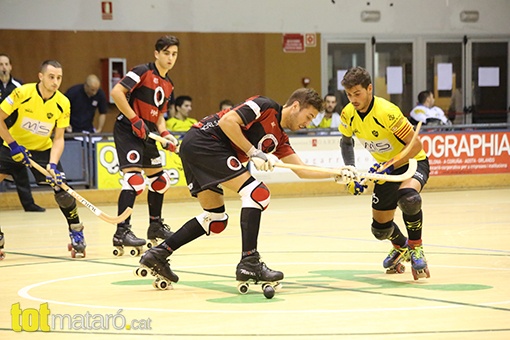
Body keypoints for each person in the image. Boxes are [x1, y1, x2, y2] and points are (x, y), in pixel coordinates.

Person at [137, 88, 356, 287]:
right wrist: (254, 152)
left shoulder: (280, 139)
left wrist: (337, 173)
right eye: (308, 117)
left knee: (215, 219)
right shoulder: (264, 105)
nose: (307, 123)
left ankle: (158, 253)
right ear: (296, 106)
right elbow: (227, 122)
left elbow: (301, 170)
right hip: (205, 141)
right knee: (257, 193)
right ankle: (249, 261)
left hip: (200, 149)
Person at [338, 67, 430, 279]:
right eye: (349, 94)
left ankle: (416, 247)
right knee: (380, 229)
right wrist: (351, 170)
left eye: (357, 93)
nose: (353, 99)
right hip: (385, 169)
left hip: (412, 163)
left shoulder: (387, 112)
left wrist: (391, 163)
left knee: (409, 198)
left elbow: (415, 146)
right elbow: (346, 142)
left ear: (370, 89)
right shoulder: (348, 113)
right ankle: (401, 246)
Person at [0, 60, 86, 257]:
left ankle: (76, 233)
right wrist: (13, 145)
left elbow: (58, 137)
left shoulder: (63, 102)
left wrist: (53, 165)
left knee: (62, 190)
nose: (55, 82)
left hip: (42, 150)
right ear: (41, 76)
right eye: (51, 77)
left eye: (59, 78)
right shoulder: (22, 93)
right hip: (12, 146)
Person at [110, 35, 180, 254]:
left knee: (160, 181)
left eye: (174, 54)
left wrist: (166, 134)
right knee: (134, 180)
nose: (170, 58)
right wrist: (134, 119)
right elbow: (116, 92)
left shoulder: (169, 84)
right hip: (128, 130)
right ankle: (122, 231)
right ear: (156, 53)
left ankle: (155, 226)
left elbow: (159, 115)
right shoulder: (142, 71)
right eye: (166, 53)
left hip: (148, 134)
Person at [0, 53, 45, 212]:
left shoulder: (19, 86)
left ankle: (29, 204)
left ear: (10, 66)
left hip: (12, 135)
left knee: (20, 169)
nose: (3, 67)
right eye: (0, 64)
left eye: (6, 64)